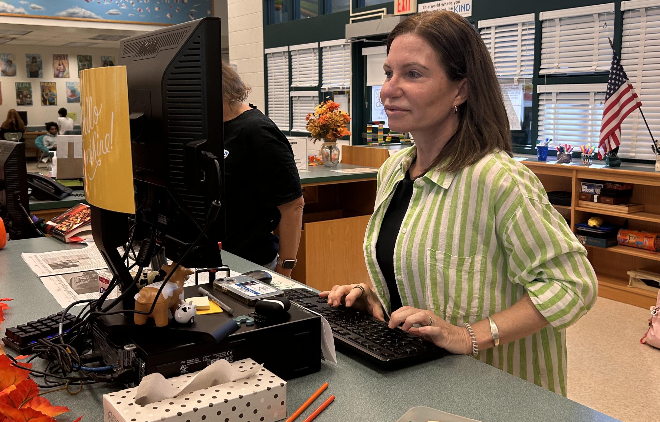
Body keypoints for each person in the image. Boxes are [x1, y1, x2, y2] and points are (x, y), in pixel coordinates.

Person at [321, 11, 597, 396]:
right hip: (423, 378)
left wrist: (467, 336)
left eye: (413, 74)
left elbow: (573, 285)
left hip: (500, 392)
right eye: (388, 73)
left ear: (460, 91)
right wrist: (373, 299)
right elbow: (424, 275)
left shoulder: (499, 180)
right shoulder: (394, 170)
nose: (389, 89)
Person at [220, 61, 304, 277]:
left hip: (251, 265)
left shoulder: (257, 131)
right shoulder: (212, 129)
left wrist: (285, 270)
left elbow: (293, 206)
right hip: (219, 260)